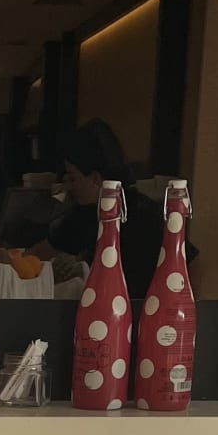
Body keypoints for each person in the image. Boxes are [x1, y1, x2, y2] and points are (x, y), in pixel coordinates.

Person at [48, 119, 177, 300]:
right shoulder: (84, 213)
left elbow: (191, 262)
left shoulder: (144, 214)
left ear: (95, 179)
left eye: (73, 179)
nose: (68, 186)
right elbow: (47, 250)